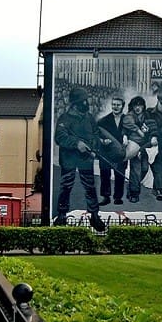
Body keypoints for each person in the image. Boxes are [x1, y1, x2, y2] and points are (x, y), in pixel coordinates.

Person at [53, 87, 105, 232]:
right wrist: (76, 144)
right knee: (66, 187)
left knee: (90, 187)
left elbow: (95, 133)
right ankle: (62, 215)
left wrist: (94, 147)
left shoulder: (89, 117)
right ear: (76, 103)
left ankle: (94, 215)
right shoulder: (65, 118)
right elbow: (60, 137)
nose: (86, 103)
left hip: (85, 159)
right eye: (83, 101)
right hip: (69, 159)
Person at [96, 97, 128, 206]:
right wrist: (102, 141)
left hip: (121, 152)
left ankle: (118, 197)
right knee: (105, 173)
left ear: (123, 106)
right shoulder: (103, 121)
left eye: (118, 105)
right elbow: (96, 135)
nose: (115, 107)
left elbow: (133, 134)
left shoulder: (128, 120)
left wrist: (127, 138)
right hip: (106, 151)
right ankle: (106, 197)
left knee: (120, 174)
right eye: (114, 104)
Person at [123, 96, 153, 203]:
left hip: (144, 146)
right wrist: (137, 130)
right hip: (134, 145)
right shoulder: (130, 116)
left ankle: (132, 186)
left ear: (143, 106)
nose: (138, 108)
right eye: (136, 105)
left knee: (144, 168)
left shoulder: (146, 116)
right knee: (136, 169)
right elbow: (127, 123)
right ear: (132, 106)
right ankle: (134, 193)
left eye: (140, 105)